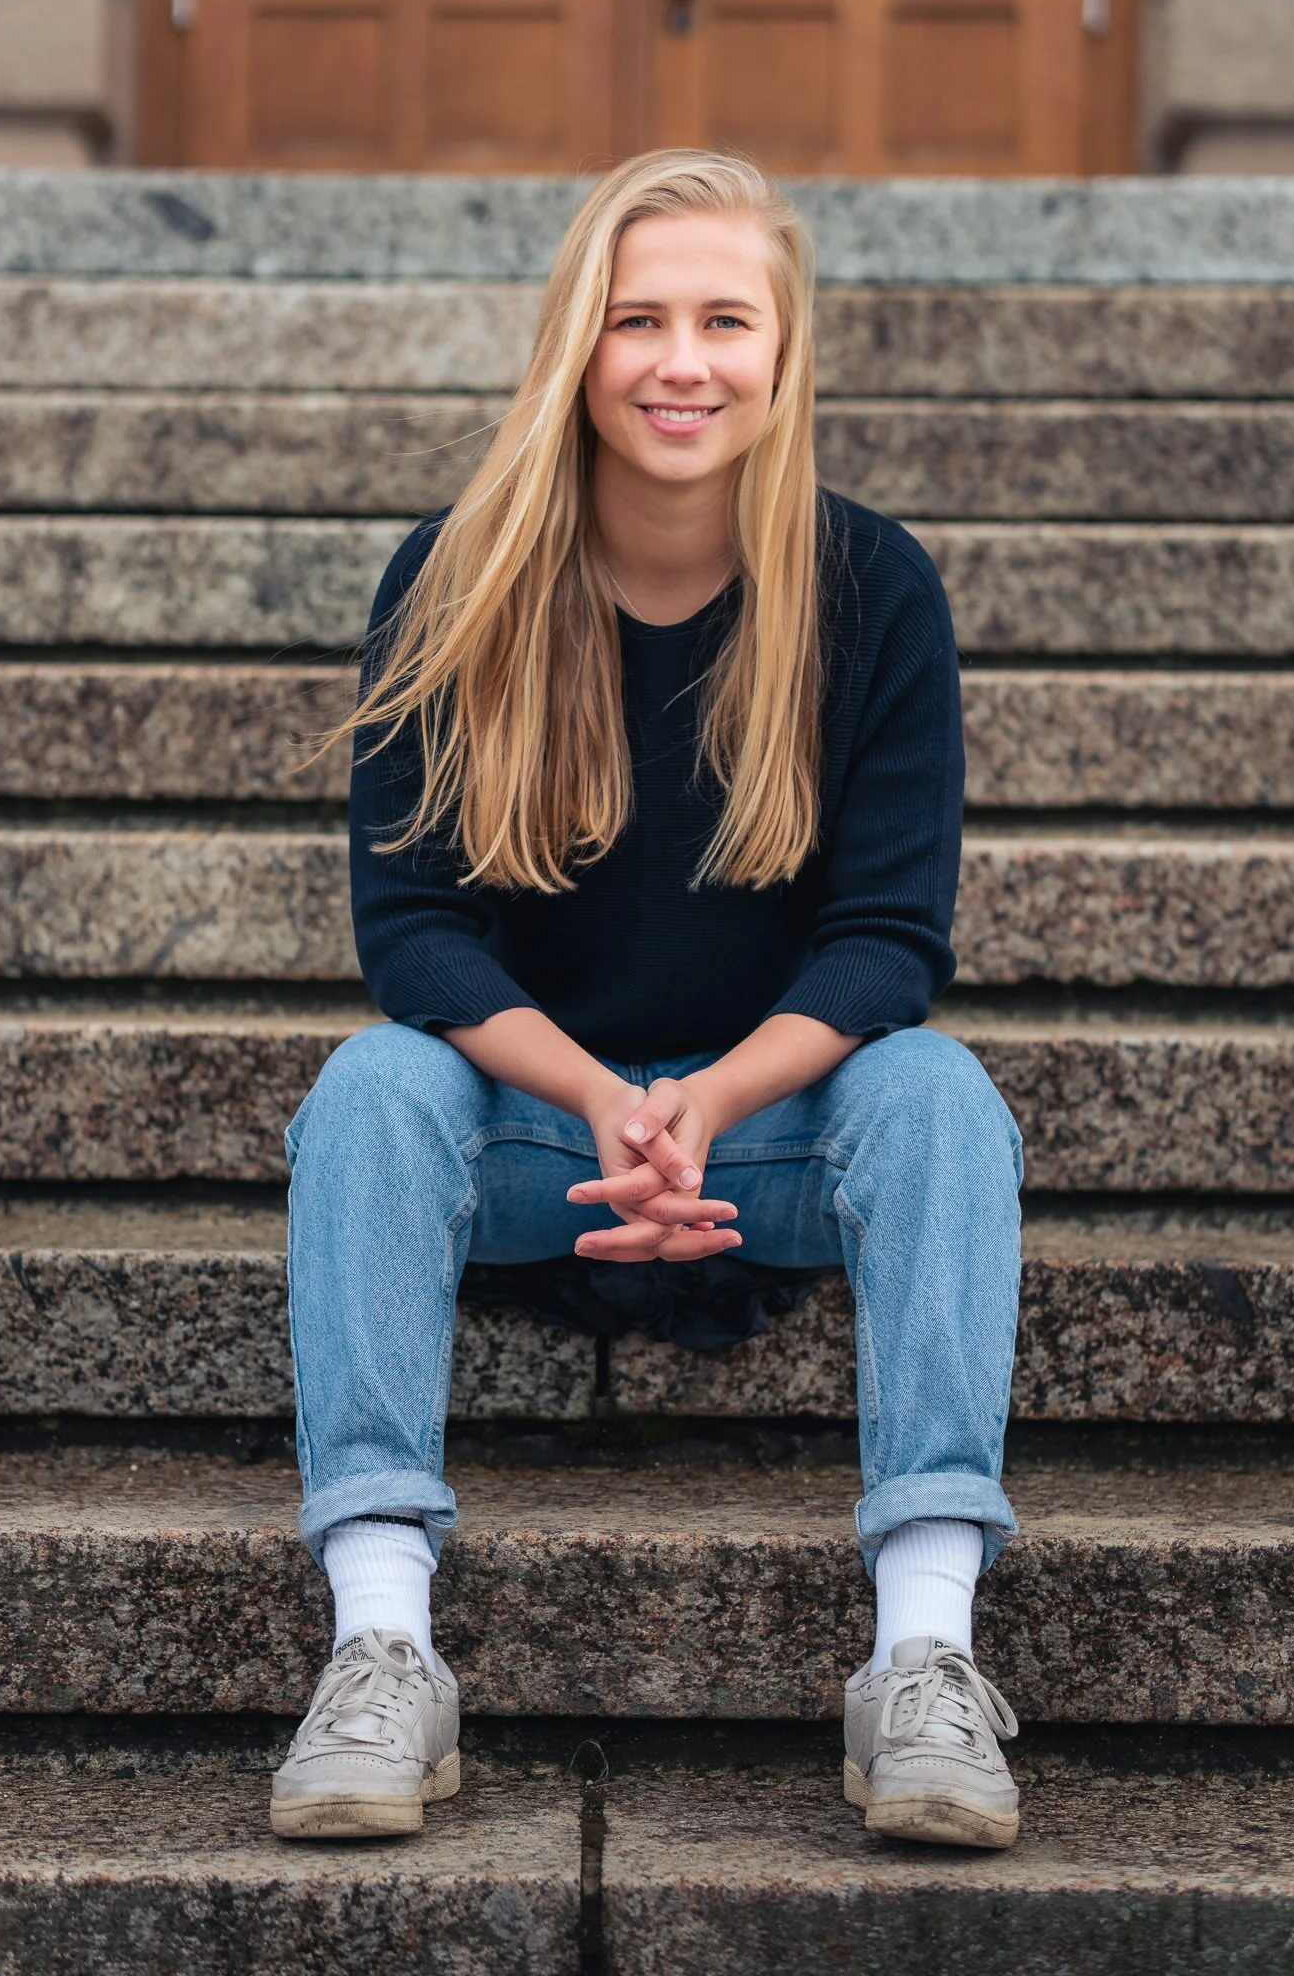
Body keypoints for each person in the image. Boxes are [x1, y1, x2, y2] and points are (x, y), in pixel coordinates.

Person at [270, 149, 1024, 1851]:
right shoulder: (456, 579)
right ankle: (381, 1646)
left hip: (768, 1136)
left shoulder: (871, 588)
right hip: (545, 1133)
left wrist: (712, 1102)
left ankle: (924, 1657)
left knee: (940, 1099)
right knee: (373, 1089)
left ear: (786, 348)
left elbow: (888, 941)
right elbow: (415, 932)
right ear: (578, 344)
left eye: (725, 320)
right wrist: (607, 1100)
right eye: (639, 320)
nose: (683, 362)